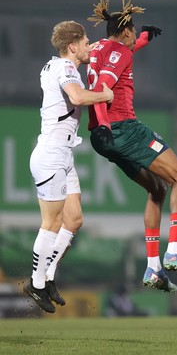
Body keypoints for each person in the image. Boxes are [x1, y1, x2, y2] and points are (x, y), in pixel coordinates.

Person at [86, 0, 177, 294]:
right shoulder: (121, 52)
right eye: (133, 34)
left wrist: (143, 39)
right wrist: (105, 123)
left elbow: (114, 59)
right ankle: (174, 250)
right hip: (122, 129)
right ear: (125, 31)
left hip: (101, 138)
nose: (134, 40)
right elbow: (104, 86)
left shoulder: (101, 46)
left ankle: (154, 268)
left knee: (158, 188)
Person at [23, 21, 114, 313]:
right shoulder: (65, 68)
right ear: (73, 46)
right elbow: (77, 97)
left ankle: (47, 276)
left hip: (63, 153)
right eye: (86, 42)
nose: (89, 46)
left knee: (73, 220)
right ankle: (36, 284)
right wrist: (105, 94)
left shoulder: (54, 66)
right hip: (51, 153)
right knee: (51, 223)